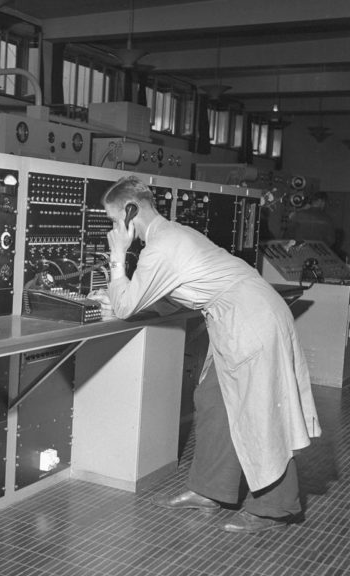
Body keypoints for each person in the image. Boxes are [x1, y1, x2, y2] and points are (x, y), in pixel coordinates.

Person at [102, 176, 321, 534]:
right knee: (214, 400)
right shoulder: (170, 235)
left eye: (113, 220)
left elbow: (126, 306)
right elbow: (174, 291)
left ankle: (273, 509)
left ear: (130, 212)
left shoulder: (162, 245)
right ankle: (209, 489)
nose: (114, 229)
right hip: (242, 314)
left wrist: (116, 257)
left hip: (250, 320)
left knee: (259, 410)